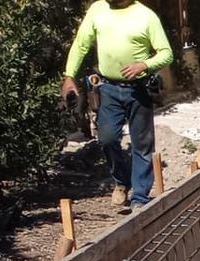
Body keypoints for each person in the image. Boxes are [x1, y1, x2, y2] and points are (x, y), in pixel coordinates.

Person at [62, 0, 174, 213]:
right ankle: (122, 181)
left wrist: (145, 65)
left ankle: (139, 197)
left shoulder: (145, 15)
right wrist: (69, 76)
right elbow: (81, 44)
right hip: (108, 88)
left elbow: (166, 53)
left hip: (139, 90)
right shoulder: (98, 9)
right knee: (108, 138)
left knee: (142, 144)